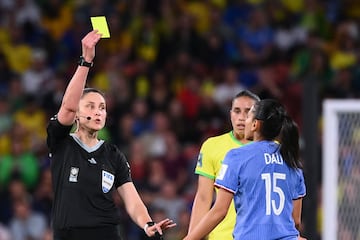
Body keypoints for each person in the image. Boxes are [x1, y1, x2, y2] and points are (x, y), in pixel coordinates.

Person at [46, 30, 176, 240]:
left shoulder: (113, 155)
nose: (98, 111)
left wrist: (147, 224)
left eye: (102, 107)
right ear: (77, 114)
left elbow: (131, 199)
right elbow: (67, 108)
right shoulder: (61, 142)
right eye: (90, 106)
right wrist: (86, 61)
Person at [184, 99, 306, 240]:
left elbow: (219, 211)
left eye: (248, 116)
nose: (244, 120)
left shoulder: (237, 156)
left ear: (255, 124)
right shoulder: (292, 160)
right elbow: (295, 221)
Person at [188, 90, 260, 240]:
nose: (241, 117)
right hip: (222, 236)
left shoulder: (273, 149)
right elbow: (203, 198)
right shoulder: (212, 146)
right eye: (237, 111)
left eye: (248, 111)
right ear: (230, 114)